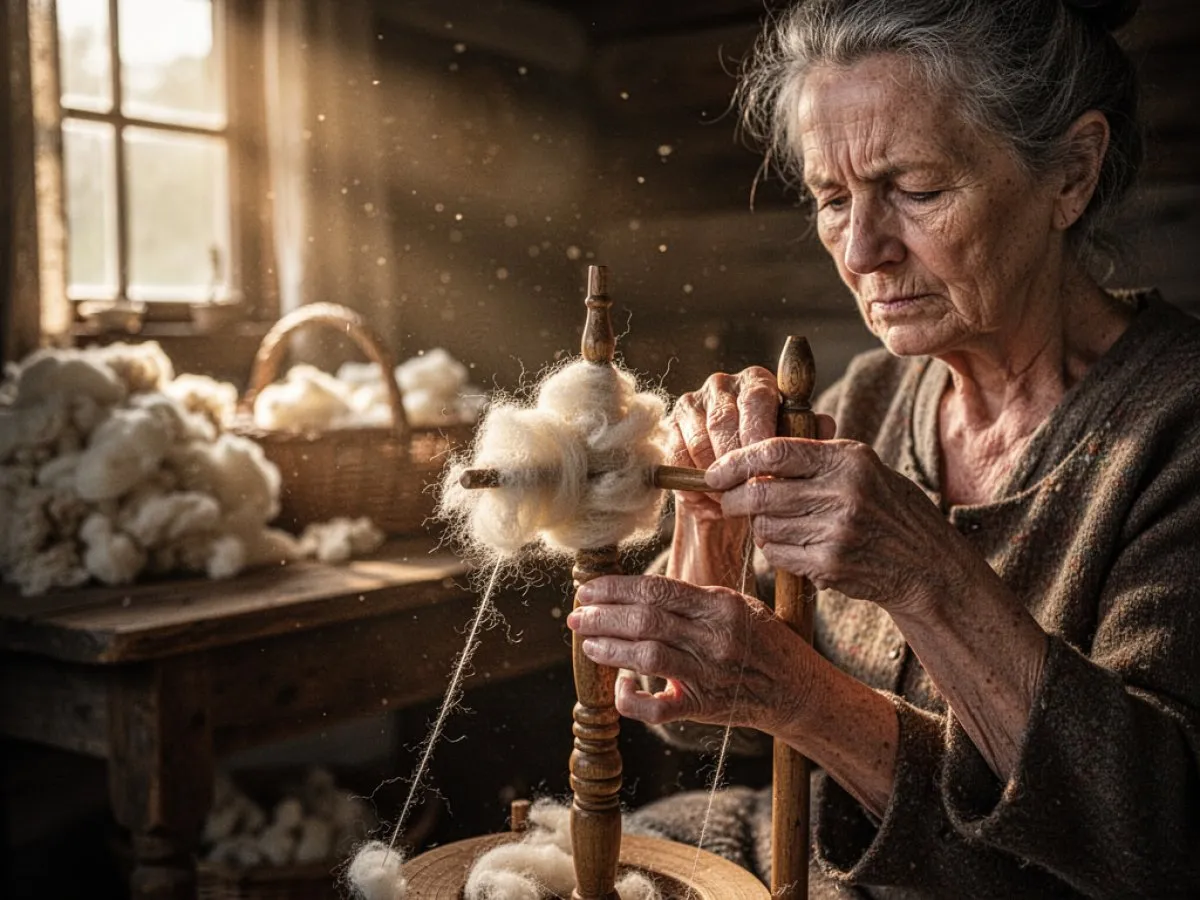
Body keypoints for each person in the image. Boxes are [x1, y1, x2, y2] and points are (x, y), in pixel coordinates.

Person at [565, 0, 1200, 896]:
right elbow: (707, 729)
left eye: (918, 189)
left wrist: (920, 577)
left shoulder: (1176, 428)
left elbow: (1160, 843)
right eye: (832, 199)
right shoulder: (865, 396)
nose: (862, 249)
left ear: (1071, 173)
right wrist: (707, 534)